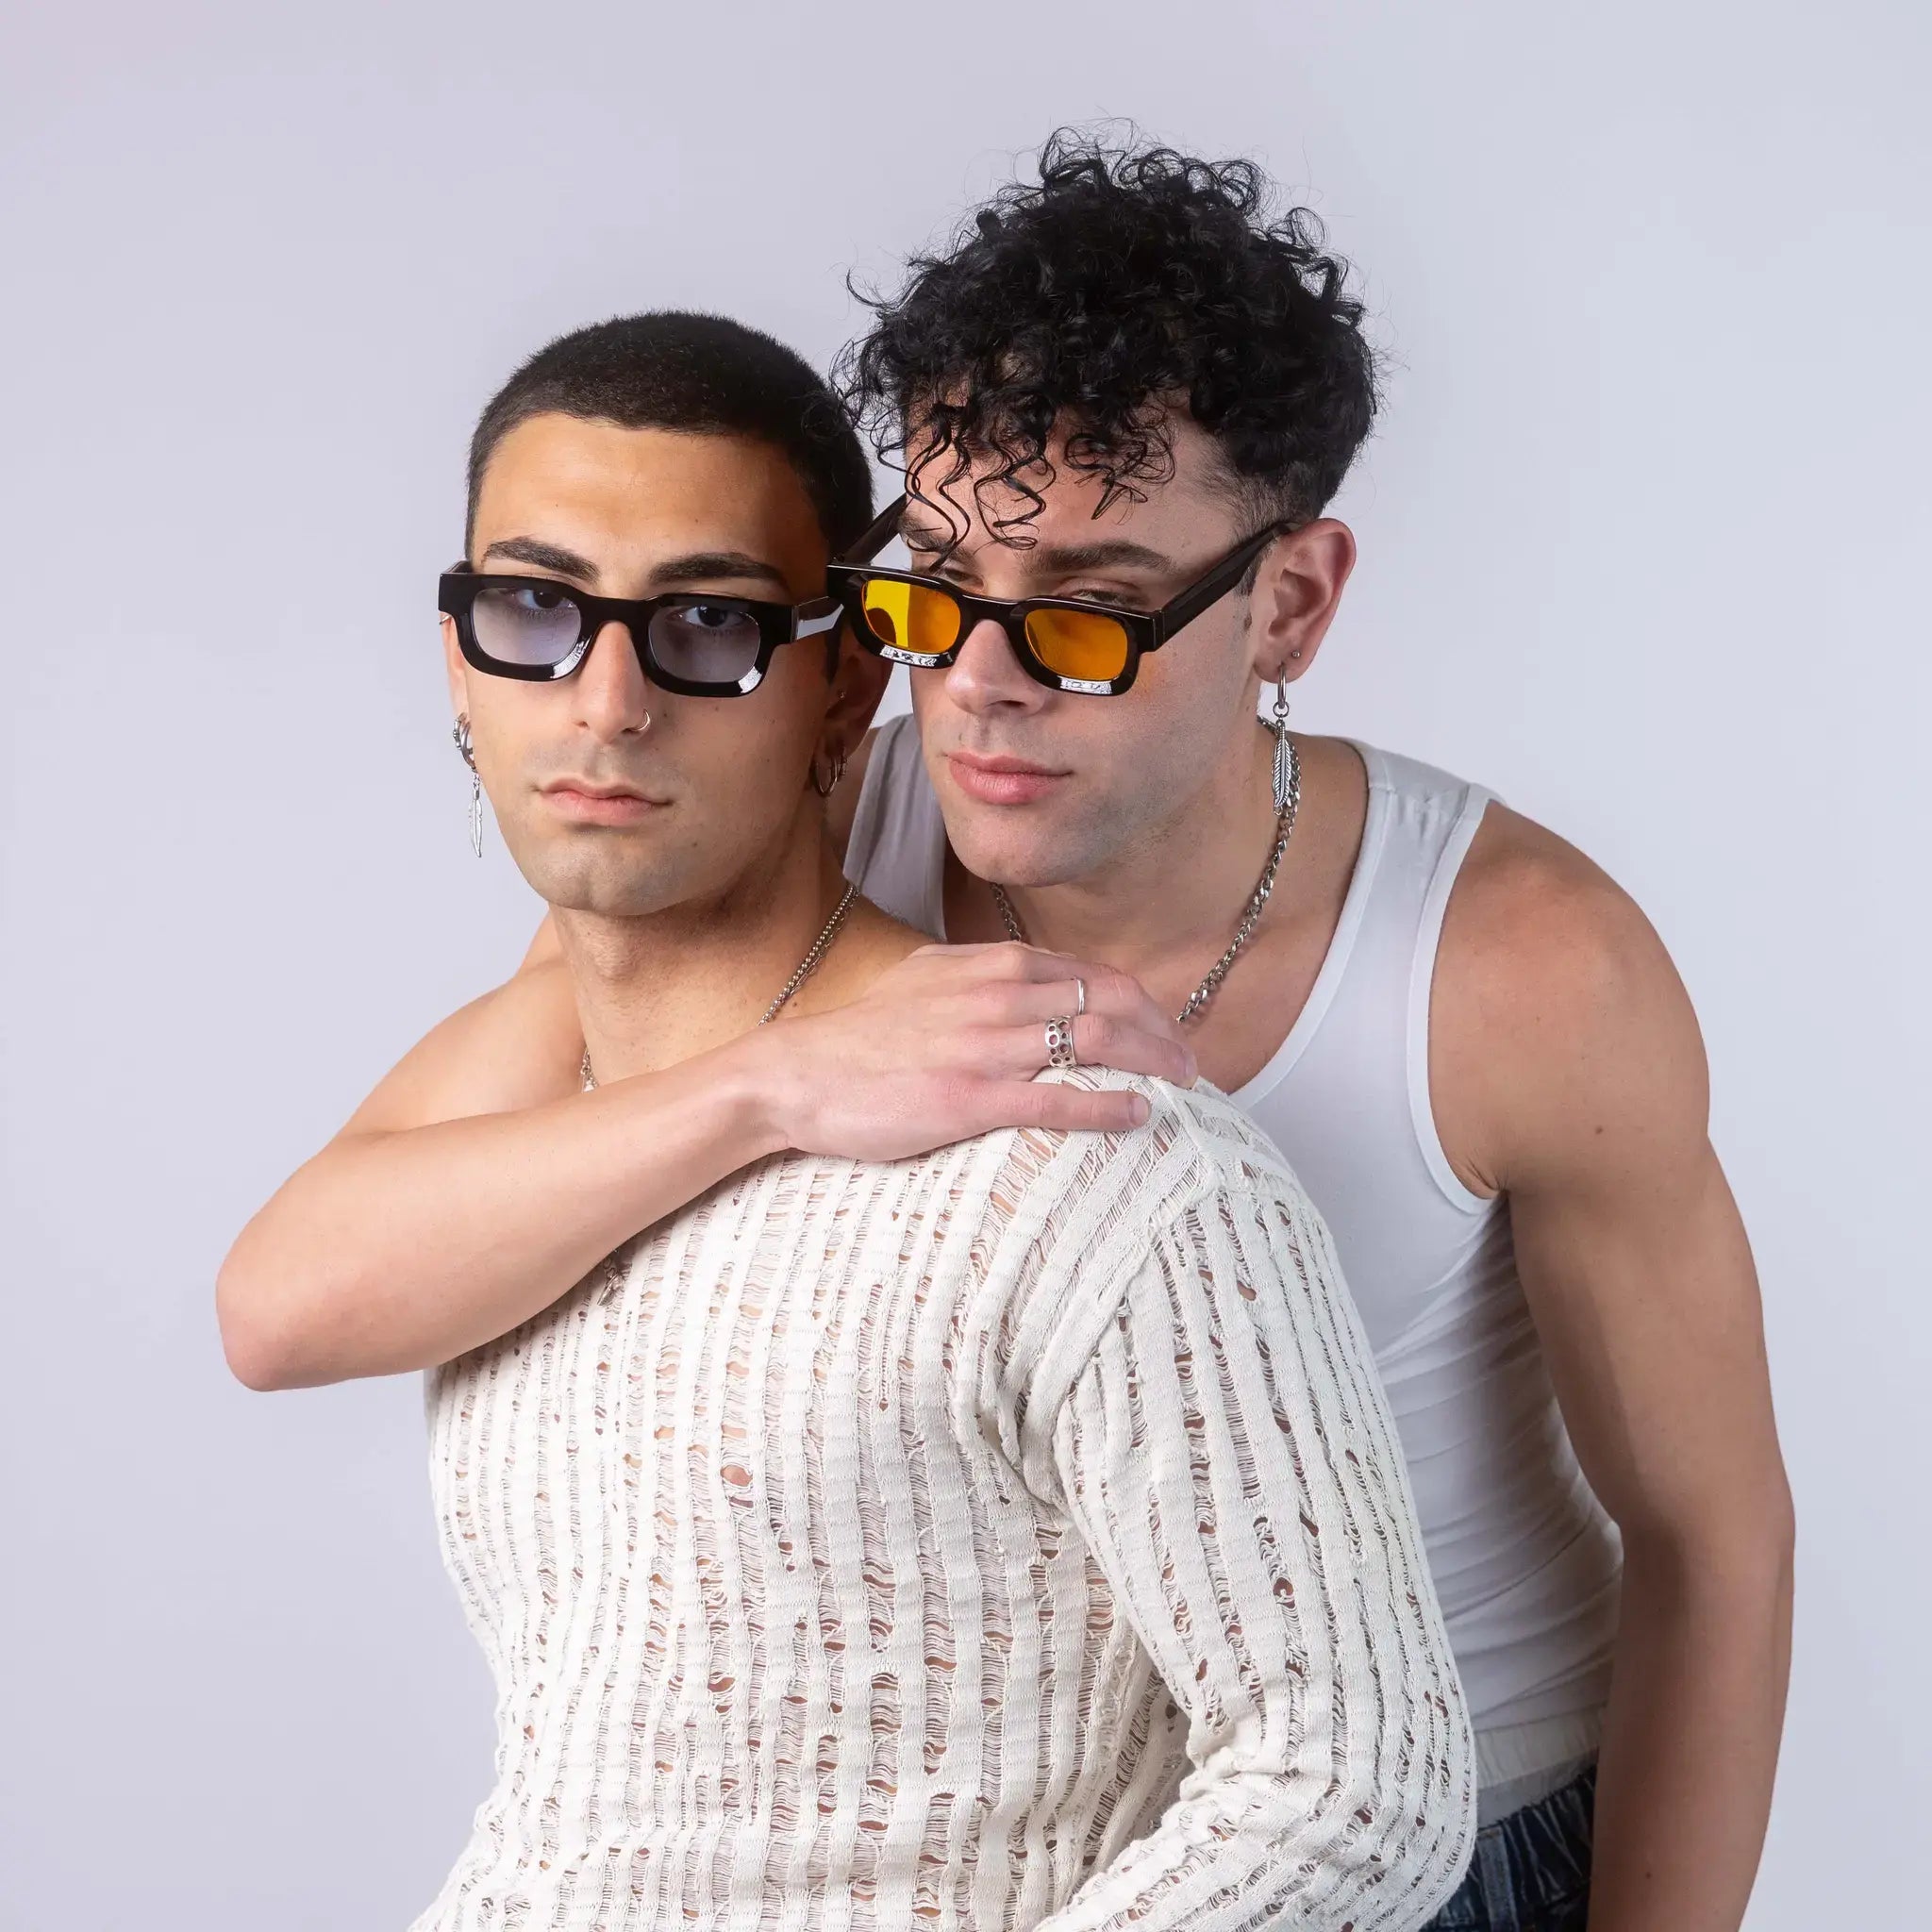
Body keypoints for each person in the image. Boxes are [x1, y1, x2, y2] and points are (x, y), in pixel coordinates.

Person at [527, 139, 1790, 1930]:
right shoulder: (816, 843)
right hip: (990, 1857)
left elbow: (1711, 1544)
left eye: (1093, 614)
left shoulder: (1523, 969)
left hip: (1436, 1837)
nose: (980, 681)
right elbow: (325, 1273)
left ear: (1291, 601)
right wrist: (766, 1078)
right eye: (939, 580)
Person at [220, 310, 1475, 1929]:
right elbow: (273, 1311)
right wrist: (766, 1091)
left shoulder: (1087, 1158)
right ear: (457, 653)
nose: (605, 703)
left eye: (705, 627)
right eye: (535, 608)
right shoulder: (565, 1089)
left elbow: (1354, 1790)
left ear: (843, 681)